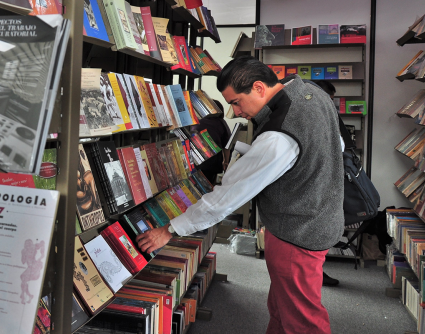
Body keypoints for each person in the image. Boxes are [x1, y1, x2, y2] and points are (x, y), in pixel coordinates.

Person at [136, 56, 344, 334]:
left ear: (259, 87)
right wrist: (254, 156)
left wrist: (171, 229)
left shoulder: (279, 133)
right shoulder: (311, 93)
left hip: (297, 233)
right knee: (283, 307)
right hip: (320, 217)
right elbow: (333, 145)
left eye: (236, 102)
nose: (234, 112)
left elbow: (228, 197)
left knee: (303, 319)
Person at [312, 79, 354, 287]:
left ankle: (317, 272)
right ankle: (316, 272)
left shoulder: (323, 115)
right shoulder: (319, 114)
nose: (332, 104)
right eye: (330, 99)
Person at [193, 99, 231, 184]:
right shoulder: (221, 123)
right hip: (212, 162)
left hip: (195, 160)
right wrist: (226, 162)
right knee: (209, 184)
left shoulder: (197, 122)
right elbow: (227, 145)